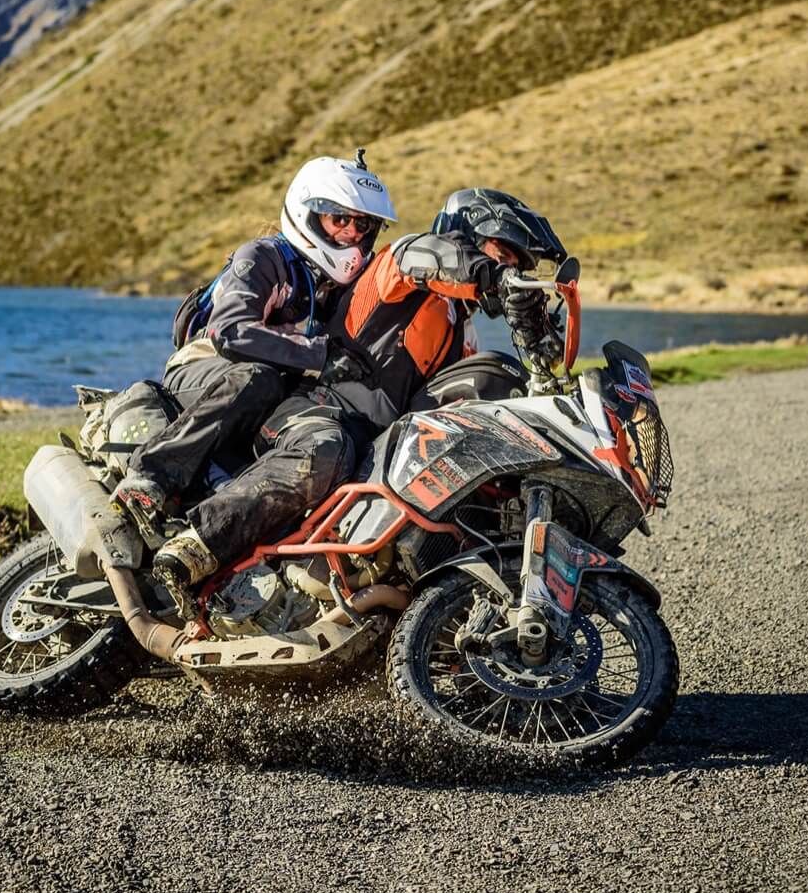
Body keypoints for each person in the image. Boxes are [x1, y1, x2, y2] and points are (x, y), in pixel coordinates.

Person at [152, 188, 565, 604]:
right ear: (467, 236)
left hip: (378, 449)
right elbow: (433, 256)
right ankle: (198, 544)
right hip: (315, 410)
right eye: (502, 253)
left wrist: (541, 345)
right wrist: (490, 274)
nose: (511, 267)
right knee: (324, 450)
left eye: (518, 264)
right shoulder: (399, 264)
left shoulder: (463, 335)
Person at [112, 150, 397, 526]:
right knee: (259, 378)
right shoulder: (263, 257)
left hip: (267, 392)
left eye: (364, 225)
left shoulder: (337, 286)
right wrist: (322, 355)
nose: (352, 234)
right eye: (340, 219)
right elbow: (231, 332)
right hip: (204, 369)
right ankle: (150, 474)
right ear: (308, 212)